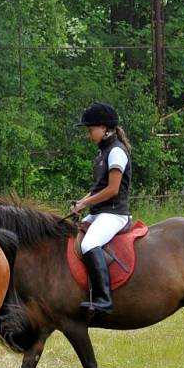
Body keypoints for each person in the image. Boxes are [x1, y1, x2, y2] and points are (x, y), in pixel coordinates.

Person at [70, 102, 133, 315]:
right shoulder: (102, 154)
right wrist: (80, 203)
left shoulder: (116, 152)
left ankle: (104, 299)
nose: (89, 135)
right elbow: (98, 188)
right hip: (99, 214)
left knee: (89, 244)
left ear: (105, 128)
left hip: (115, 214)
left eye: (91, 130)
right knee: (69, 235)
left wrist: (86, 203)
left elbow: (113, 189)